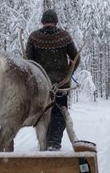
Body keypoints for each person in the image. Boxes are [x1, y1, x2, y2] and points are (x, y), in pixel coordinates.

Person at [25, 9, 80, 151]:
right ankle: (54, 144)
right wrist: (68, 73)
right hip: (60, 86)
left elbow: (28, 63)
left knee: (42, 114)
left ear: (42, 22)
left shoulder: (34, 37)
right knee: (59, 113)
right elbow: (76, 57)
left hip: (40, 87)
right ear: (56, 22)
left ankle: (44, 143)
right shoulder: (64, 37)